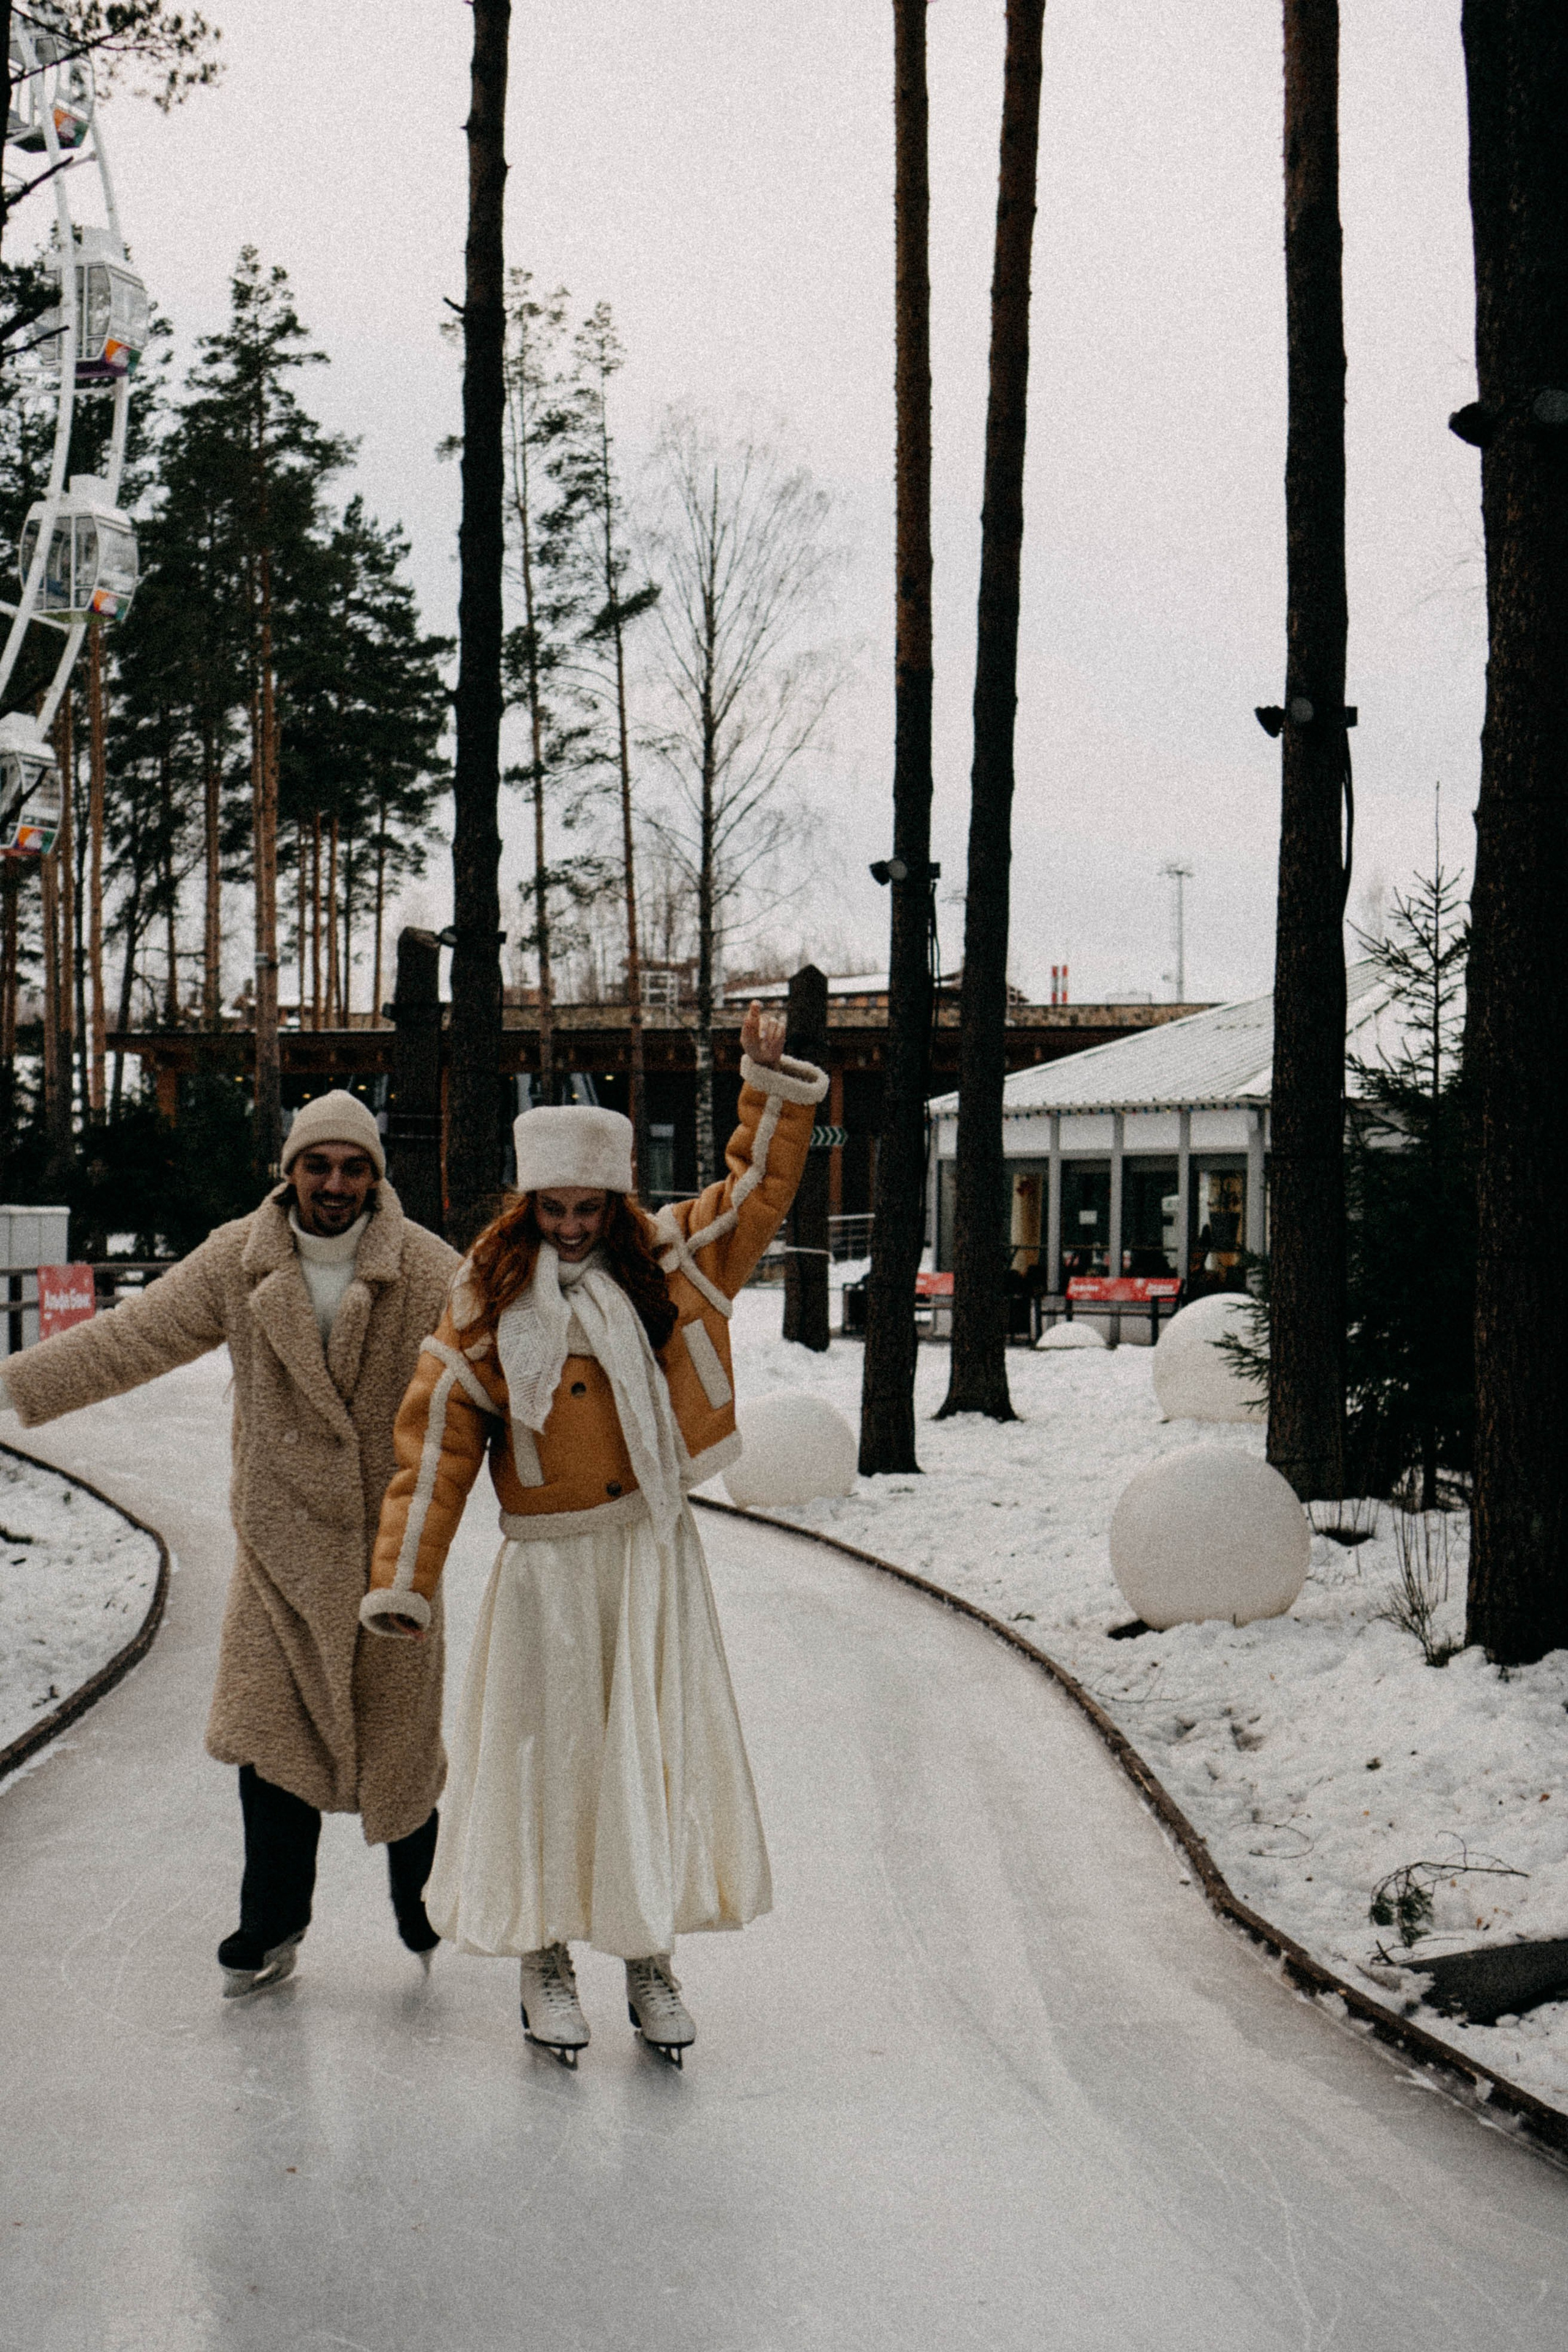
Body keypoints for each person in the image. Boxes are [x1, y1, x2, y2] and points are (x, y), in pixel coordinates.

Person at [360, 1005, 827, 2064]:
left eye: (589, 1207)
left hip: (650, 1558)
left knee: (645, 1759)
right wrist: (405, 1579)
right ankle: (544, 1958)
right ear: (529, 1206)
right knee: (552, 1763)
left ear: (616, 1201)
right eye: (554, 1208)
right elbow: (433, 1444)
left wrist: (767, 1087)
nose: (572, 1227)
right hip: (550, 1573)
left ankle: (648, 1955)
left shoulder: (668, 1267)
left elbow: (758, 1192)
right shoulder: (483, 1299)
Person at [0, 1091, 460, 1997]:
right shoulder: (236, 1262)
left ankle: (423, 1900)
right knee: (270, 1741)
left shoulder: (428, 1270)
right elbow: (130, 1339)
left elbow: (496, 1370)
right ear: (288, 1171)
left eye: (353, 1166)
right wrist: (14, 1389)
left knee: (401, 1745)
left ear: (376, 1174)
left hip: (390, 1554)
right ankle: (271, 1922)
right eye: (318, 1164)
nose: (335, 1183)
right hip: (279, 1550)